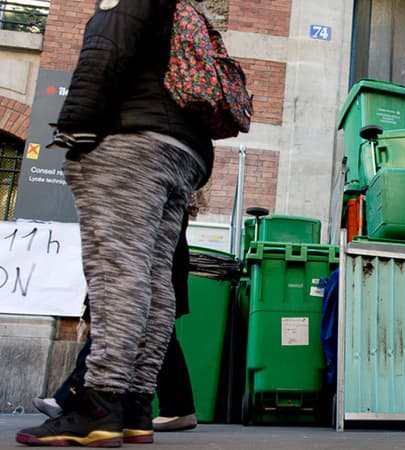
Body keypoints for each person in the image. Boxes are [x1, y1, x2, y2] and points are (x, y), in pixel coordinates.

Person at [17, 0, 213, 447]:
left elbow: (101, 56)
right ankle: (136, 404)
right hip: (185, 152)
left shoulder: (131, 4)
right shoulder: (186, 14)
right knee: (153, 280)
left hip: (131, 144)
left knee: (117, 272)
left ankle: (100, 404)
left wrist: (75, 128)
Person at [32, 209, 198, 435]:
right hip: (153, 259)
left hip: (140, 257)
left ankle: (78, 400)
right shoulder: (175, 190)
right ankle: (150, 411)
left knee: (116, 321)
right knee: (154, 329)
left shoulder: (152, 191)